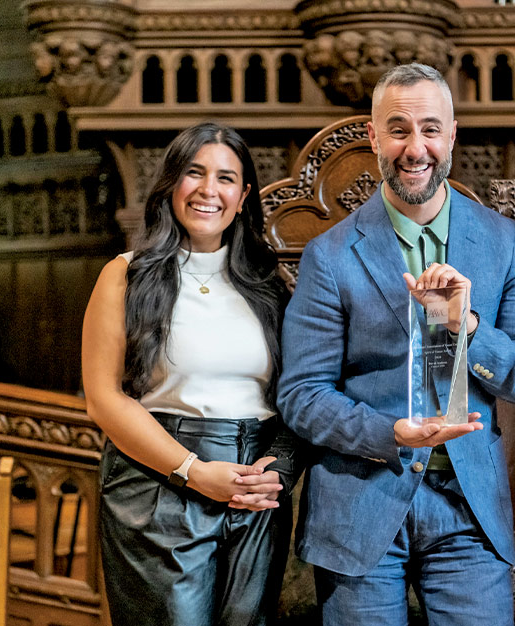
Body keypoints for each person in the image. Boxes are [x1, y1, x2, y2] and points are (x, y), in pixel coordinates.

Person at [277, 63, 515, 626]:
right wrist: (389, 433)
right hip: (361, 498)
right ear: (374, 138)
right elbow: (303, 394)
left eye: (430, 128)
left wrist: (469, 327)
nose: (415, 147)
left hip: (467, 505)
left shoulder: (502, 243)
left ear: (452, 134)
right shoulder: (329, 256)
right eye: (398, 129)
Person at [81, 122, 301, 626]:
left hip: (253, 485)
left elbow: (297, 393)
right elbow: (103, 398)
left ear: (244, 196)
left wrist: (277, 471)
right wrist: (195, 472)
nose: (208, 190)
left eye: (226, 178)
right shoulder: (126, 274)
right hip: (158, 482)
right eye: (194, 173)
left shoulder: (268, 285)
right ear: (170, 185)